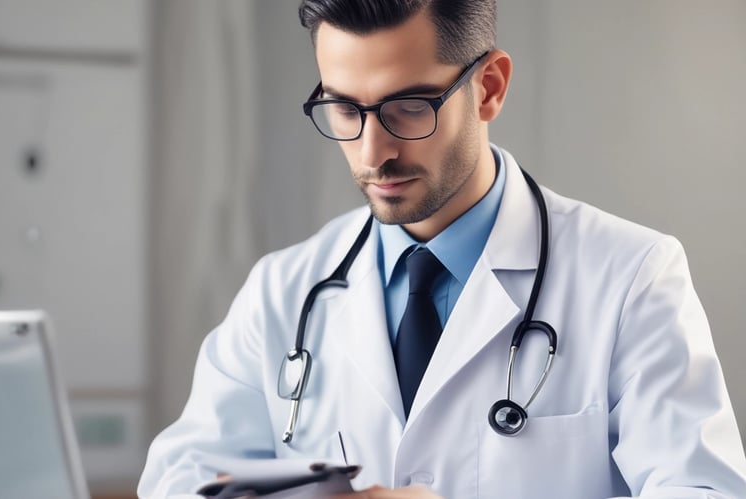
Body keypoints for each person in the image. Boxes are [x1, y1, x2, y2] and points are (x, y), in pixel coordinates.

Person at [138, 1, 746, 497]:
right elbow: (180, 479)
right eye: (344, 108)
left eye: (408, 107)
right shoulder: (283, 290)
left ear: (489, 88)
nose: (372, 152)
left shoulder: (631, 278)